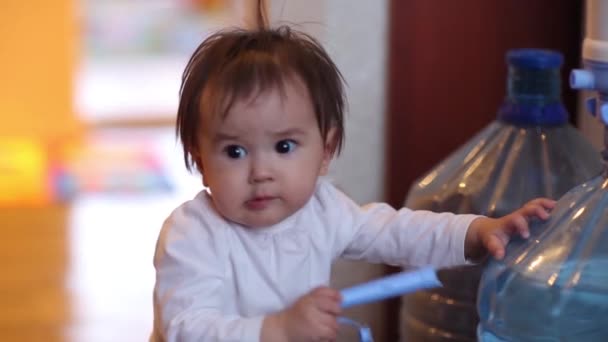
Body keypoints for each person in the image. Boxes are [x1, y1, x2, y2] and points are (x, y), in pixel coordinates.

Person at [150, 17, 555, 342]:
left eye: (285, 146)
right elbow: (185, 328)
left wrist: (477, 232)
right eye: (235, 152)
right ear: (199, 159)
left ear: (326, 151)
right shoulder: (192, 234)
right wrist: (276, 330)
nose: (260, 172)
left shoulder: (324, 211)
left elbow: (399, 231)